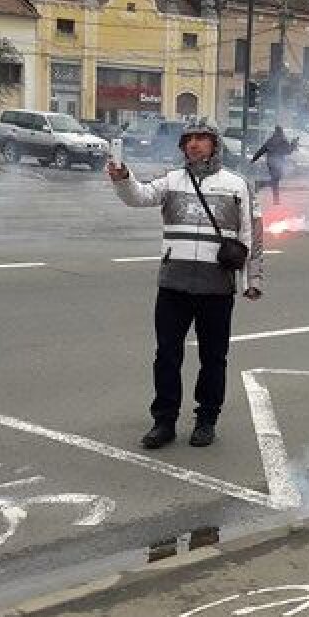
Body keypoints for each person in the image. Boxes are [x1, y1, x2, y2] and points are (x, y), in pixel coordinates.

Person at [108, 118, 263, 450]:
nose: (193, 144)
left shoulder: (236, 185)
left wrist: (253, 279)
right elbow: (139, 196)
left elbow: (251, 235)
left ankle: (206, 420)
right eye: (188, 139)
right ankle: (163, 422)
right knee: (166, 355)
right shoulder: (172, 180)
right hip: (174, 285)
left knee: (213, 358)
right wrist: (123, 178)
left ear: (214, 144)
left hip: (216, 287)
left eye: (201, 138)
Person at [251, 124, 295, 205]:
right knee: (275, 181)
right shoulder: (283, 140)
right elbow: (288, 151)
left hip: (270, 163)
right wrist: (293, 145)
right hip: (277, 163)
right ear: (281, 132)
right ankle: (273, 197)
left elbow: (262, 150)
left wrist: (254, 158)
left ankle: (261, 185)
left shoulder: (271, 140)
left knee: (275, 180)